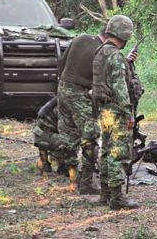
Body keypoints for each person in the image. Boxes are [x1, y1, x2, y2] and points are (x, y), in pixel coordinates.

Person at [92, 14, 139, 210]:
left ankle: (105, 194)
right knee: (118, 153)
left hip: (104, 110)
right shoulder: (115, 56)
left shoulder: (100, 52)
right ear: (124, 35)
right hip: (117, 111)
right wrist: (129, 114)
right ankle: (117, 198)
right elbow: (120, 88)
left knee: (105, 151)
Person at [57, 31, 106, 194]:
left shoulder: (80, 38)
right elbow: (103, 79)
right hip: (80, 93)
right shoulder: (102, 50)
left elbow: (61, 61)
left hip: (63, 88)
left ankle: (68, 170)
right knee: (91, 136)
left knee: (68, 133)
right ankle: (86, 182)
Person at [32, 97, 67, 176]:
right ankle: (62, 166)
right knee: (70, 141)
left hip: (40, 134)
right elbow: (67, 130)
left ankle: (45, 164)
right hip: (45, 134)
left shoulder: (59, 102)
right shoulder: (64, 108)